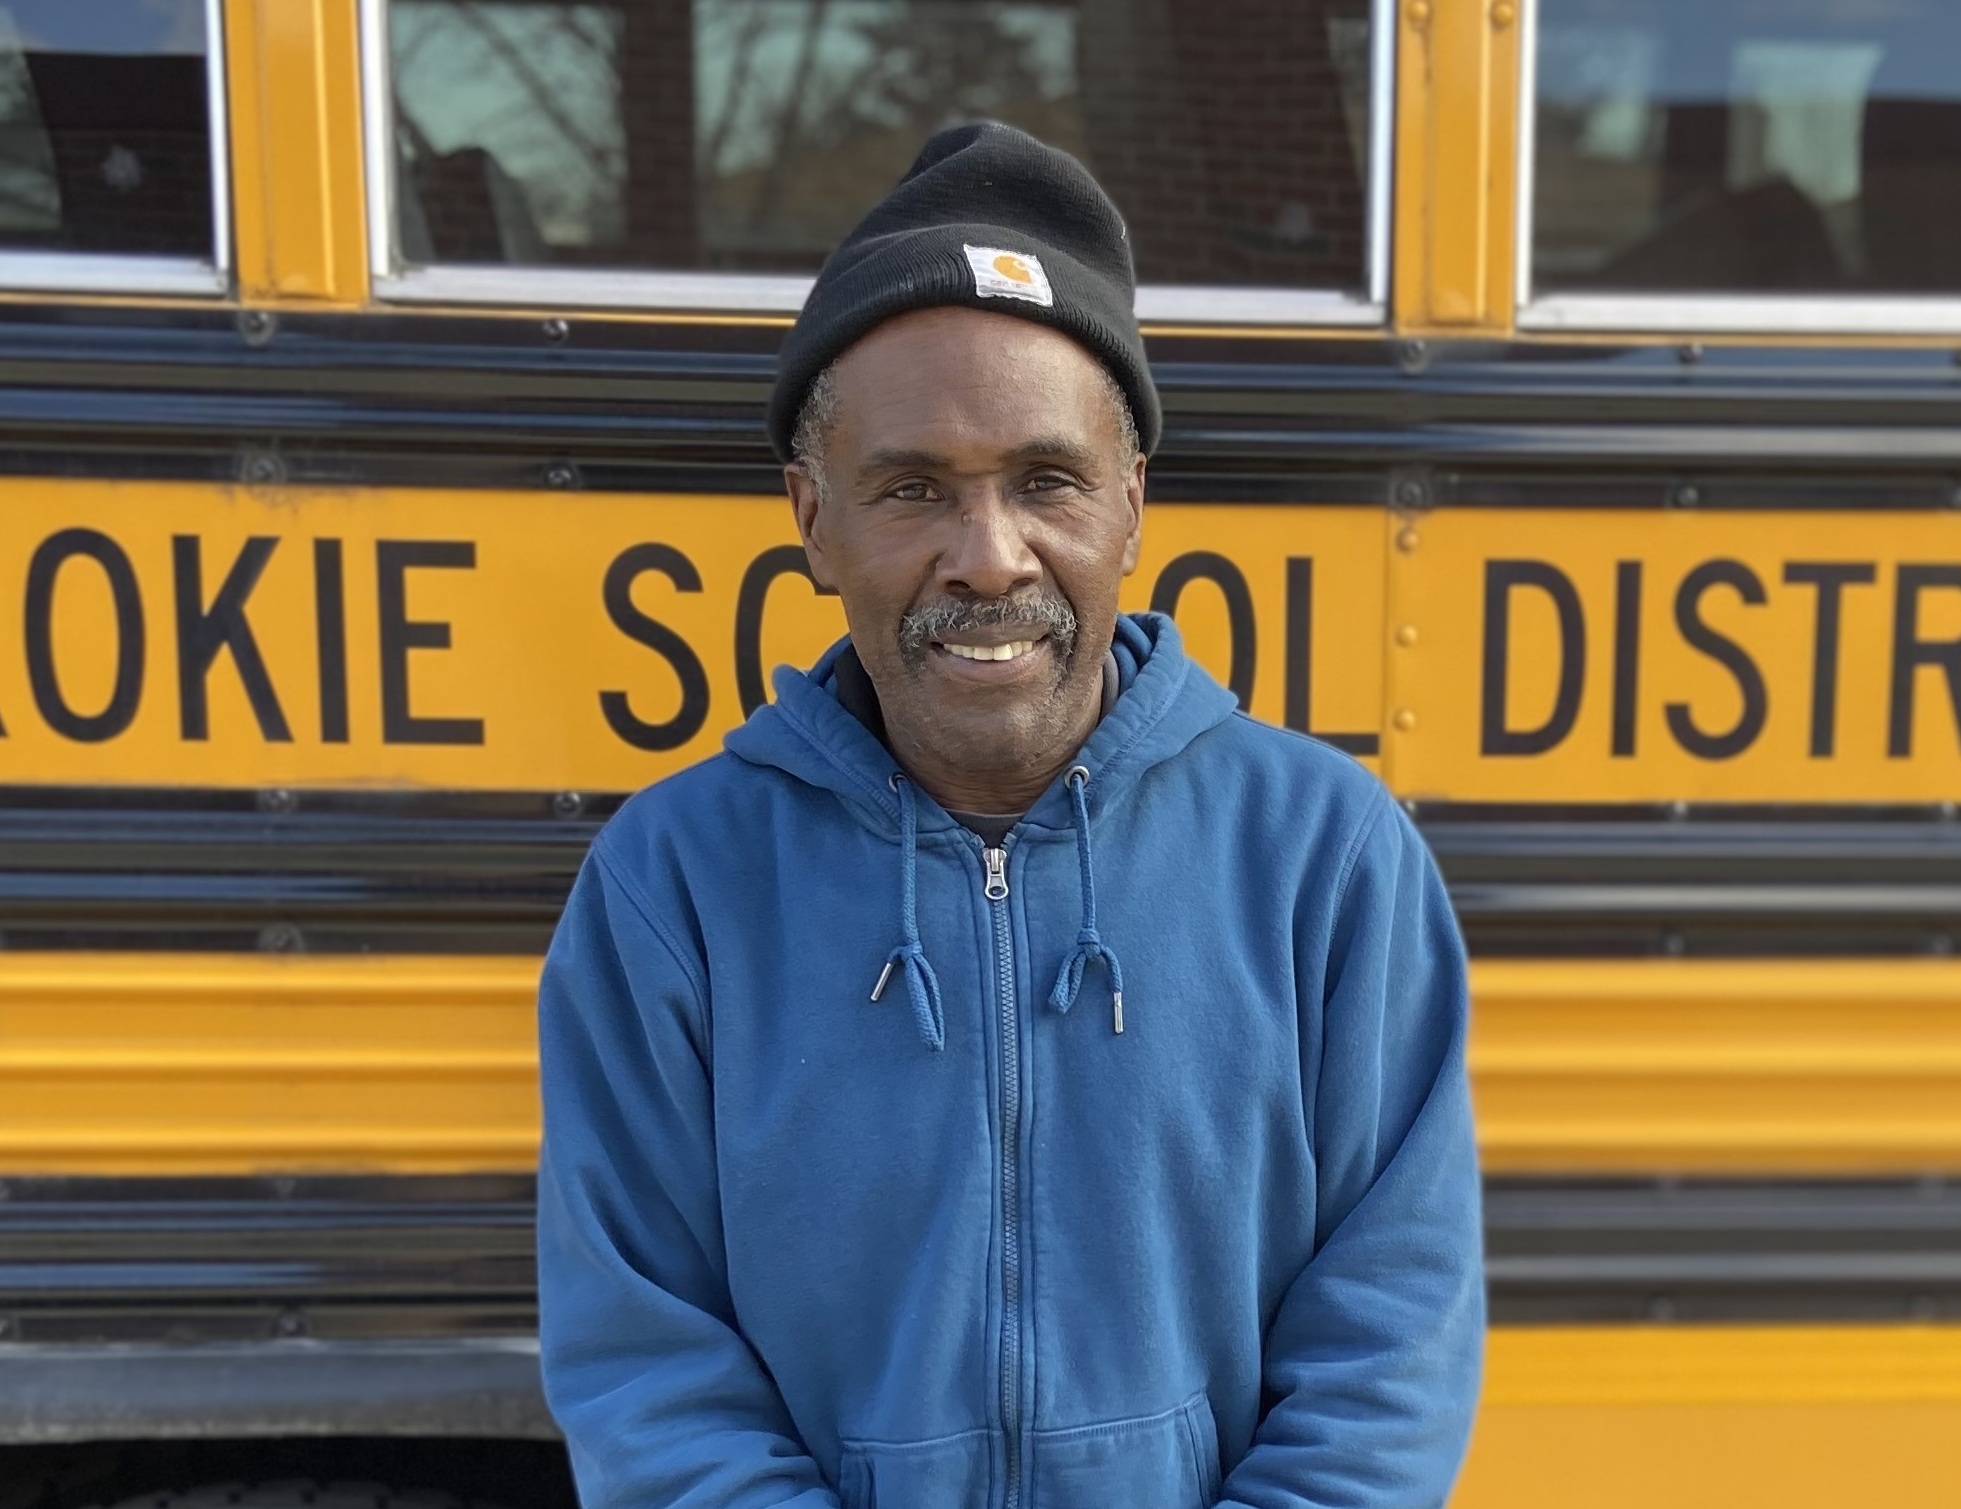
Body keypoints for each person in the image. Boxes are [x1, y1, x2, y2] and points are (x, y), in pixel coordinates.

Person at [537, 122, 1484, 1509]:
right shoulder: (670, 889)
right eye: (913, 488)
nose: (990, 559)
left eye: (1047, 481)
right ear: (812, 520)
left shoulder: (1329, 861)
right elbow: (649, 1370)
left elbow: (1386, 1356)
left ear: (1132, 505)